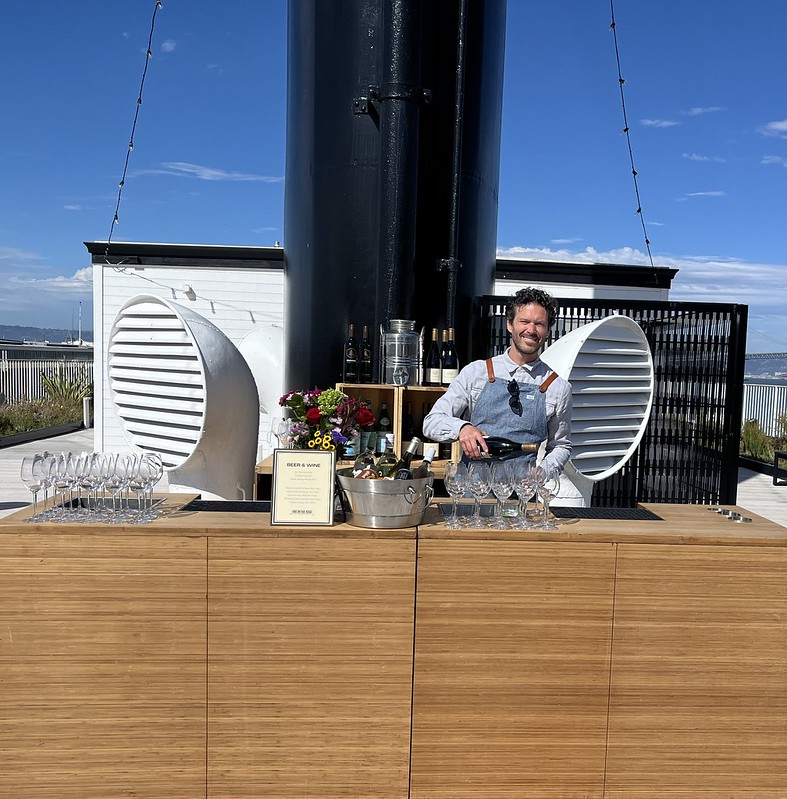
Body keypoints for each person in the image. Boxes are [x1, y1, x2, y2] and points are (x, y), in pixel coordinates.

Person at [422, 287, 572, 477]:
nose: (531, 330)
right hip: (471, 494)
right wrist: (462, 428)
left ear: (548, 331)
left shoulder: (557, 387)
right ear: (509, 324)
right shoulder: (476, 373)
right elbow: (431, 422)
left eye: (539, 324)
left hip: (521, 497)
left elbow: (561, 445)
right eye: (524, 321)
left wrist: (542, 473)